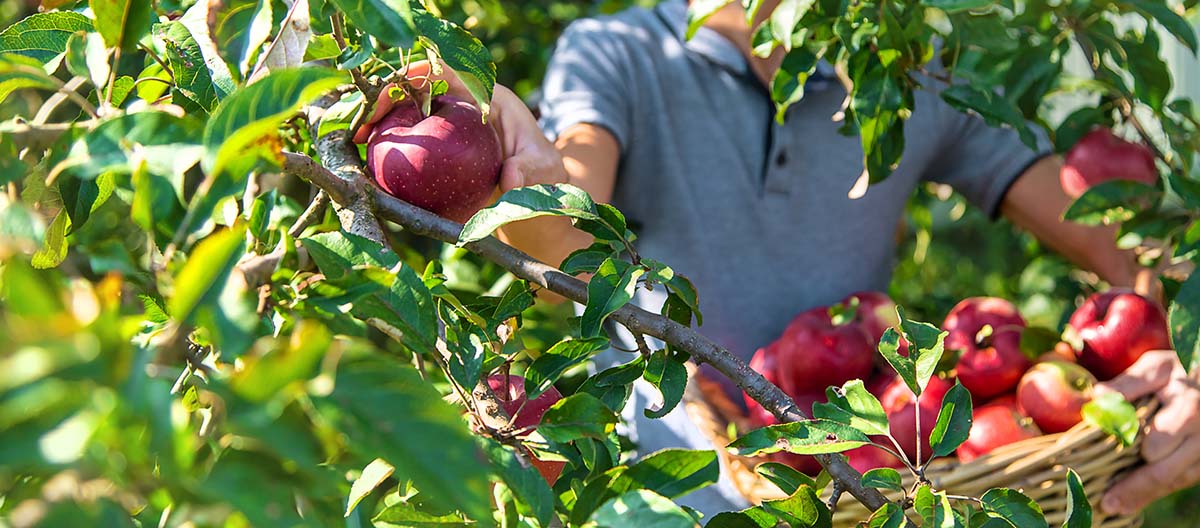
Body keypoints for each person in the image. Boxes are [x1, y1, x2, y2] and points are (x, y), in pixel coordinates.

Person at [357, 0, 1200, 518]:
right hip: (664, 487)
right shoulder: (617, 53)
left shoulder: (902, 78)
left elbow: (1127, 247)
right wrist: (522, 179)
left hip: (864, 483)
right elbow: (570, 247)